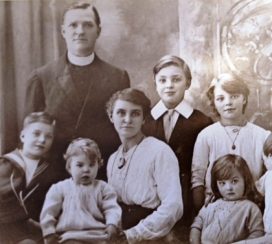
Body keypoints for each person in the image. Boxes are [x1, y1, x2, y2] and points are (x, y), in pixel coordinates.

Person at [24, 2, 130, 179]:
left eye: (88, 25)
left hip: (102, 173)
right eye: (73, 25)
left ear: (98, 31)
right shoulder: (42, 77)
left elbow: (124, 131)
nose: (80, 31)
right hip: (54, 175)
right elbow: (30, 136)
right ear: (63, 31)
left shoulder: (117, 77)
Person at [106, 88, 183, 243]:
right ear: (111, 116)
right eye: (121, 113)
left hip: (151, 235)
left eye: (135, 113)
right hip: (121, 233)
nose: (127, 119)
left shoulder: (159, 151)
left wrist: (133, 234)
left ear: (143, 119)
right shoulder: (113, 158)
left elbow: (173, 206)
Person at [144, 55, 212, 227]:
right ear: (155, 83)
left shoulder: (202, 122)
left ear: (187, 83)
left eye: (176, 79)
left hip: (186, 198)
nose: (169, 85)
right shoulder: (145, 120)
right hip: (152, 199)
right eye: (163, 80)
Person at [191, 73, 270, 212]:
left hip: (251, 206)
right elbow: (197, 178)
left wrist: (257, 194)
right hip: (214, 207)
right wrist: (201, 212)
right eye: (220, 98)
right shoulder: (206, 135)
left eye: (234, 96)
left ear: (244, 98)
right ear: (214, 102)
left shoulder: (262, 135)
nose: (228, 102)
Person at [40, 138, 122, 244]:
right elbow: (48, 212)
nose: (86, 169)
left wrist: (112, 224)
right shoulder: (59, 188)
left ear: (99, 165)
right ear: (69, 167)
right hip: (71, 236)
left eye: (91, 165)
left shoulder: (104, 188)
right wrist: (49, 232)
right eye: (80, 165)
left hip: (98, 236)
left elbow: (112, 208)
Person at [0, 112, 56, 244]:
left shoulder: (50, 171)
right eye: (36, 134)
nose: (42, 140)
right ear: (23, 136)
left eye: (48, 136)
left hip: (34, 231)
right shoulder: (5, 164)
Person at [190, 154, 264, 244]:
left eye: (234, 181)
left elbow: (258, 233)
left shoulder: (250, 208)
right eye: (222, 183)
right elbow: (196, 226)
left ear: (245, 180)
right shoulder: (210, 205)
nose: (228, 188)